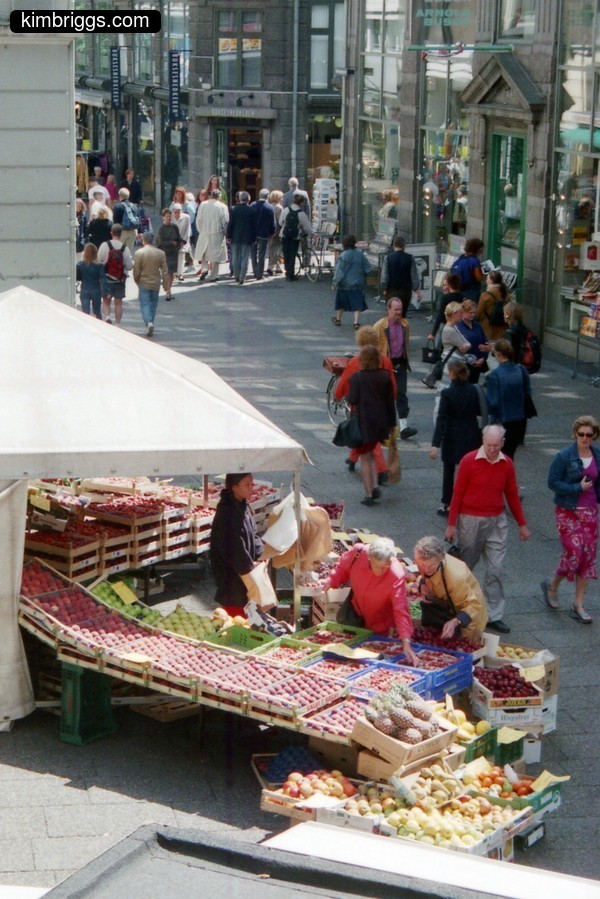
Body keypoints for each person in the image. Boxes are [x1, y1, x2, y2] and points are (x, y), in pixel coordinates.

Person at [446, 424, 531, 634]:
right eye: (488, 445)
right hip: (470, 519)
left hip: (496, 519)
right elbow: (457, 492)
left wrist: (522, 524)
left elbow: (511, 493)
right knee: (465, 567)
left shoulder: (507, 464)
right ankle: (458, 607)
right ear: (483, 441)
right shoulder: (469, 460)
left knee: (496, 569)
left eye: (496, 445)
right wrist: (451, 524)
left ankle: (494, 614)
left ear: (502, 443)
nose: (492, 449)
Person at [541, 415, 600, 623]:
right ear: (575, 433)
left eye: (589, 435)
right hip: (568, 511)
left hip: (590, 512)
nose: (584, 438)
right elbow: (553, 482)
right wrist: (577, 488)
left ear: (594, 436)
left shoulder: (597, 455)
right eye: (581, 434)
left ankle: (578, 603)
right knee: (574, 552)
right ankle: (553, 583)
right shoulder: (564, 456)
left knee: (586, 557)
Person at [325, 538, 418, 661]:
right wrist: (329, 582)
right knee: (347, 656)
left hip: (379, 624)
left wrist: (406, 641)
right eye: (376, 566)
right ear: (369, 558)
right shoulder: (358, 553)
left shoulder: (396, 575)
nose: (380, 571)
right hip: (356, 615)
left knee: (370, 658)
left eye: (385, 567)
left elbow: (401, 609)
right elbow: (342, 569)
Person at [334, 326, 397, 484]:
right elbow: (393, 387)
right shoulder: (386, 360)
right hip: (382, 406)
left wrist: (338, 395)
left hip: (363, 408)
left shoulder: (357, 360)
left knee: (368, 439)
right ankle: (353, 457)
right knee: (366, 437)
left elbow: (345, 382)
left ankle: (381, 470)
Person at [429, 359, 483, 517]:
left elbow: (442, 419)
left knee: (449, 470)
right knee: (471, 470)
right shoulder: (474, 390)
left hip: (452, 435)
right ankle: (470, 499)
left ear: (451, 373)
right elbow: (481, 411)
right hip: (471, 433)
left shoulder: (447, 393)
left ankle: (447, 502)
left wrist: (435, 444)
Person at [347, 345, 397, 506]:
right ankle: (375, 485)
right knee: (373, 454)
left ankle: (368, 493)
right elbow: (390, 402)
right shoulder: (384, 376)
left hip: (363, 421)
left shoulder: (357, 377)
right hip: (380, 421)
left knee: (365, 458)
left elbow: (351, 399)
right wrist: (392, 424)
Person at [413, 535, 488, 641]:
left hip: (469, 613)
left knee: (463, 645)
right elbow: (426, 575)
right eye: (421, 564)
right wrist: (423, 584)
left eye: (431, 566)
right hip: (448, 607)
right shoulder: (423, 560)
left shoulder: (455, 577)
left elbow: (474, 605)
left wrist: (456, 621)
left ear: (440, 559)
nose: (425, 569)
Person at [209, 473, 264, 607]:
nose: (252, 488)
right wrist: (250, 569)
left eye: (252, 483)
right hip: (232, 578)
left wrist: (263, 553)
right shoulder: (227, 512)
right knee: (237, 618)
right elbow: (233, 548)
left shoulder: (243, 505)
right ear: (234, 487)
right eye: (247, 485)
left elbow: (253, 534)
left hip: (244, 574)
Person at [374, 296, 417, 440]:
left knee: (401, 394)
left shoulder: (405, 324)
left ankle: (404, 427)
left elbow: (406, 344)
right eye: (396, 309)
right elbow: (372, 346)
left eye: (400, 309)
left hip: (400, 363)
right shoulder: (380, 326)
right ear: (388, 309)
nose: (398, 312)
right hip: (385, 364)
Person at [486, 338, 531, 459]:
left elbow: (492, 402)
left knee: (497, 457)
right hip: (519, 419)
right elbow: (527, 392)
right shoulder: (522, 370)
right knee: (510, 455)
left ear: (498, 354)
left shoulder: (495, 375)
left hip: (501, 419)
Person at [331, 235, 372, 329]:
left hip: (344, 284)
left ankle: (338, 319)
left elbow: (339, 271)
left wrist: (335, 283)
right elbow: (368, 269)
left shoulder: (343, 255)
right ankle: (356, 322)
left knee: (340, 302)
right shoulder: (360, 254)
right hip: (357, 283)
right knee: (357, 303)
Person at [132, 232, 168, 337]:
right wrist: (166, 285)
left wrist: (137, 279)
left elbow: (136, 269)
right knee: (153, 304)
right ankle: (151, 321)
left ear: (143, 240)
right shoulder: (160, 253)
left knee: (145, 304)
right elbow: (165, 270)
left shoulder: (139, 253)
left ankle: (148, 322)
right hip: (155, 282)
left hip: (143, 282)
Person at [97, 223, 133, 326]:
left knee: (106, 300)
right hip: (119, 279)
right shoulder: (124, 248)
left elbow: (99, 261)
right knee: (118, 302)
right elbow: (129, 266)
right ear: (121, 234)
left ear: (111, 233)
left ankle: (107, 317)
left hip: (106, 278)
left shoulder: (104, 245)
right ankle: (117, 323)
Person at [380, 236, 421, 315]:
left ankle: (393, 327)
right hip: (405, 291)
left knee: (392, 315)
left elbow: (384, 276)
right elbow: (414, 275)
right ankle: (401, 327)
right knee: (402, 313)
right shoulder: (410, 258)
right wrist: (417, 290)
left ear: (393, 245)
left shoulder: (387, 258)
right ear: (404, 245)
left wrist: (384, 288)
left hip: (391, 291)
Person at [195, 188, 229, 282]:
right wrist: (225, 233)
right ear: (219, 196)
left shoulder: (203, 204)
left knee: (203, 252)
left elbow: (198, 219)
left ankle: (205, 268)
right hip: (217, 234)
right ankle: (213, 276)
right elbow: (225, 221)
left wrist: (201, 230)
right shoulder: (222, 206)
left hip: (204, 232)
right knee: (215, 256)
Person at [455, 299, 491, 384]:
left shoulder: (477, 325)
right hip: (463, 365)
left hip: (477, 364)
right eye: (470, 313)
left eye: (474, 313)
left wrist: (483, 357)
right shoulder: (458, 327)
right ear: (463, 312)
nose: (473, 315)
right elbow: (456, 347)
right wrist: (470, 361)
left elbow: (485, 342)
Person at [227, 191, 258, 286]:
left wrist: (228, 235)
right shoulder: (252, 211)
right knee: (245, 257)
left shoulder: (233, 209)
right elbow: (254, 226)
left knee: (235, 256)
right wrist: (254, 238)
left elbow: (230, 223)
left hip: (235, 236)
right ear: (249, 200)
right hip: (247, 237)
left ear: (240, 199)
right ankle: (242, 277)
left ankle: (236, 275)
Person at [279, 193, 311, 281]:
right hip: (295, 236)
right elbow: (306, 227)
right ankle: (291, 274)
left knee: (286, 254)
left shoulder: (285, 210)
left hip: (284, 235)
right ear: (301, 203)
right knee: (292, 254)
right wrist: (309, 233)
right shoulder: (301, 214)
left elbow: (280, 222)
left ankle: (287, 272)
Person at [428, 272, 463, 345]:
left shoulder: (445, 298)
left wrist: (433, 333)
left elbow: (440, 315)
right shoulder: (462, 296)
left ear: (449, 285)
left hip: (445, 324)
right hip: (458, 324)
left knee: (439, 345)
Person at [155, 208, 182, 301]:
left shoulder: (175, 227)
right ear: (163, 217)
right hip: (165, 253)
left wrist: (180, 244)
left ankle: (169, 291)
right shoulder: (161, 229)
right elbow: (159, 242)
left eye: (170, 216)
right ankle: (167, 290)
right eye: (167, 216)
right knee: (166, 272)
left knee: (171, 273)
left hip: (173, 253)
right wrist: (171, 243)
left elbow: (179, 238)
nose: (169, 218)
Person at [76, 242, 107, 320]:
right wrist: (107, 291)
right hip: (96, 289)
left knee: (85, 313)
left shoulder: (80, 265)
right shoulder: (99, 265)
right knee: (97, 312)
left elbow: (77, 277)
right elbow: (103, 278)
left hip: (85, 289)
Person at [250, 188, 276, 281]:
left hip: (253, 233)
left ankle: (254, 271)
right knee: (261, 254)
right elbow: (272, 222)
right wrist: (272, 233)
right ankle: (259, 274)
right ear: (267, 196)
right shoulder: (269, 207)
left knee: (253, 253)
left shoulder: (252, 205)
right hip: (264, 233)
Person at [476, 270, 509, 341]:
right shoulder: (505, 293)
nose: (486, 281)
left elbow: (478, 312)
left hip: (489, 327)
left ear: (491, 281)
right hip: (503, 325)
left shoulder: (485, 295)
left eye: (487, 279)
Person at [451, 237, 484, 302]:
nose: (482, 251)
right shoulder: (474, 261)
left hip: (459, 290)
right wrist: (485, 275)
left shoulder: (461, 258)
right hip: (472, 290)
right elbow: (479, 277)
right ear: (476, 249)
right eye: (481, 249)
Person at [112, 187, 140, 252]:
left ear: (119, 196)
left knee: (118, 251)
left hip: (122, 232)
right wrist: (139, 231)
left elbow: (115, 221)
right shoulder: (134, 206)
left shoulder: (118, 206)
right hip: (132, 231)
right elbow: (138, 218)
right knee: (128, 252)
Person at [172, 203, 191, 281]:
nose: (177, 214)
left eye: (178, 212)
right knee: (173, 258)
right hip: (173, 241)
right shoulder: (171, 218)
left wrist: (184, 240)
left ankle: (180, 274)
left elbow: (188, 230)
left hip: (183, 240)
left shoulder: (186, 217)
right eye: (175, 212)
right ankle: (174, 273)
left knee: (181, 257)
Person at [267, 189, 284, 276]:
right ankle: (270, 267)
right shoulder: (279, 208)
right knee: (278, 250)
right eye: (281, 197)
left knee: (272, 249)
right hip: (277, 232)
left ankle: (278, 267)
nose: (282, 199)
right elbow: (280, 221)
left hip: (269, 232)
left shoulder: (269, 206)